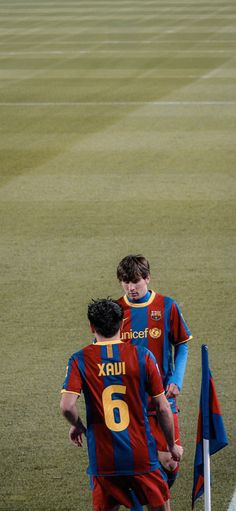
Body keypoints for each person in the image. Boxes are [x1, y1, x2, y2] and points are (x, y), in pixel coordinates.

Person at [60, 298, 183, 511]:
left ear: (91, 326)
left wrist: (78, 425)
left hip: (104, 458)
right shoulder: (143, 356)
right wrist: (171, 445)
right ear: (123, 324)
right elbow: (163, 407)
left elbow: (67, 406)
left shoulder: (80, 359)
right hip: (141, 455)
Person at [116, 255, 192, 489]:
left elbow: (182, 344)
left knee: (170, 461)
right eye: (125, 282)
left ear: (147, 278)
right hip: (128, 398)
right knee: (131, 464)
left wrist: (176, 379)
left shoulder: (167, 306)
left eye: (136, 281)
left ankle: (158, 497)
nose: (131, 287)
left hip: (162, 396)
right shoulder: (116, 310)